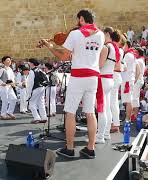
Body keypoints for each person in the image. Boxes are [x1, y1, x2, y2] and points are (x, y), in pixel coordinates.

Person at [38, 9, 105, 158]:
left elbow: (63, 56)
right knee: (90, 112)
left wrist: (50, 46)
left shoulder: (75, 34)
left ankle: (69, 148)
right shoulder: (100, 35)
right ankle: (90, 148)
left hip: (79, 76)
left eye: (78, 20)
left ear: (81, 19)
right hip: (93, 76)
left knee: (70, 112)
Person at [96, 27, 122, 143]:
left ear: (107, 34)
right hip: (109, 79)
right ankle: (105, 134)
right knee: (107, 108)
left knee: (101, 109)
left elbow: (100, 65)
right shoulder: (114, 48)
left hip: (103, 80)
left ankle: (100, 136)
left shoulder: (106, 47)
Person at [26, 59, 48, 124]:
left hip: (36, 88)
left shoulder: (32, 71)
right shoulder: (40, 70)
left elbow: (30, 83)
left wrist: (29, 93)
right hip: (42, 88)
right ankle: (44, 117)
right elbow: (45, 79)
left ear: (32, 64)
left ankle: (36, 118)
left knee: (32, 103)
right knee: (41, 103)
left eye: (29, 62)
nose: (28, 63)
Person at [121, 41, 137, 124]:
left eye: (123, 45)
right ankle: (128, 118)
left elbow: (124, 67)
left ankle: (128, 119)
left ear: (127, 45)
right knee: (128, 100)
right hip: (130, 78)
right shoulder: (132, 55)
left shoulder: (127, 55)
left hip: (127, 79)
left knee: (128, 100)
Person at [132, 47, 145, 120]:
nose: (134, 53)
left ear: (139, 53)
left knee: (135, 98)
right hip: (138, 80)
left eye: (136, 52)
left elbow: (138, 72)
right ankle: (134, 114)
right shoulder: (140, 60)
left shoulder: (138, 60)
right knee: (135, 98)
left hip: (137, 80)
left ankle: (135, 115)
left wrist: (135, 81)